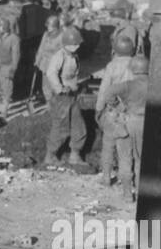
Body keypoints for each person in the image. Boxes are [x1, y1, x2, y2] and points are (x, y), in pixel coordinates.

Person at [95, 34, 137, 184]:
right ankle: (127, 180)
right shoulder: (137, 65)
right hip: (130, 113)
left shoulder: (111, 66)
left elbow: (104, 90)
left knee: (108, 146)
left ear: (115, 50)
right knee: (127, 150)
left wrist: (99, 109)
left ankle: (106, 177)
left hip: (112, 112)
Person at [43, 26, 86, 165]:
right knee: (60, 127)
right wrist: (59, 88)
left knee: (78, 126)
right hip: (62, 97)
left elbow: (73, 75)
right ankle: (50, 156)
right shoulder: (59, 56)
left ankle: (75, 155)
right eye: (76, 44)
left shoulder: (74, 56)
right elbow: (51, 73)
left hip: (72, 96)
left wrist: (79, 84)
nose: (79, 46)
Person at [109, 54, 149, 202]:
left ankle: (127, 194)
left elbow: (110, 91)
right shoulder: (153, 85)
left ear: (133, 69)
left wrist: (117, 106)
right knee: (141, 160)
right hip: (144, 123)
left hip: (127, 122)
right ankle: (139, 193)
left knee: (125, 159)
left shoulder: (128, 84)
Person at [33, 15, 64, 98]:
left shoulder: (61, 36)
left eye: (49, 26)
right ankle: (49, 104)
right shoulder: (46, 34)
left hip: (55, 65)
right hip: (45, 63)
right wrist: (37, 61)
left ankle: (56, 104)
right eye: (47, 26)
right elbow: (41, 48)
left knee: (54, 86)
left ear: (55, 26)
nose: (47, 28)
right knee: (45, 87)